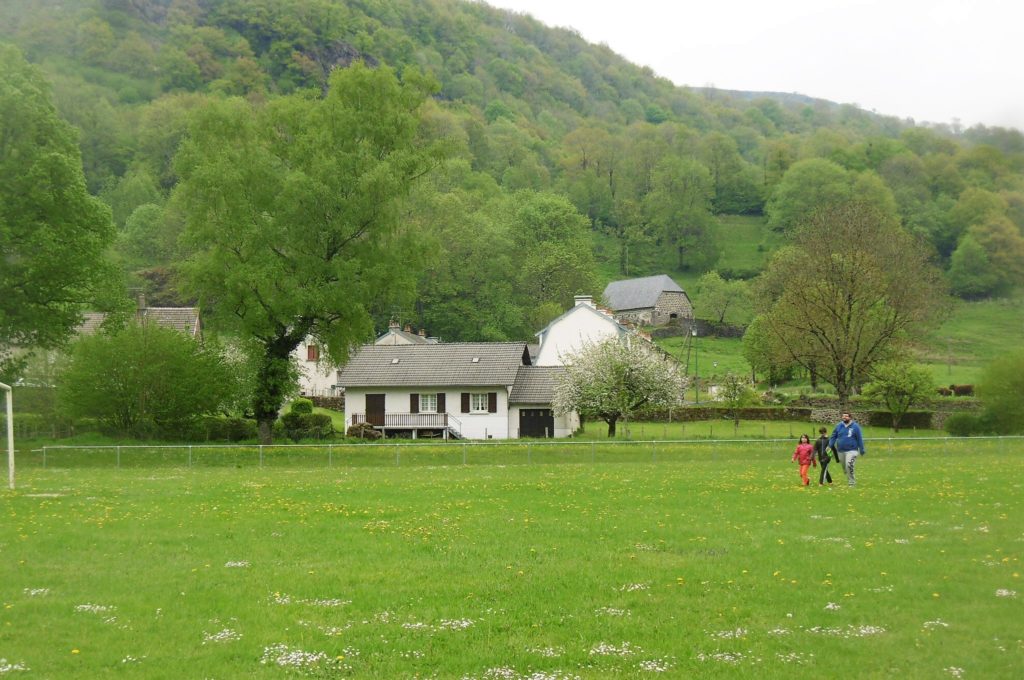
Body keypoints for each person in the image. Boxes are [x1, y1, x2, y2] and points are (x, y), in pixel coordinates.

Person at [829, 411, 866, 486]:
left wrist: (861, 449)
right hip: (841, 450)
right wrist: (830, 445)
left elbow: (859, 438)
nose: (844, 417)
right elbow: (833, 436)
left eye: (846, 416)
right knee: (845, 468)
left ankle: (852, 482)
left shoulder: (855, 426)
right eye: (843, 416)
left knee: (849, 465)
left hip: (852, 450)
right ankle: (848, 473)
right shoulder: (839, 426)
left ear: (850, 417)